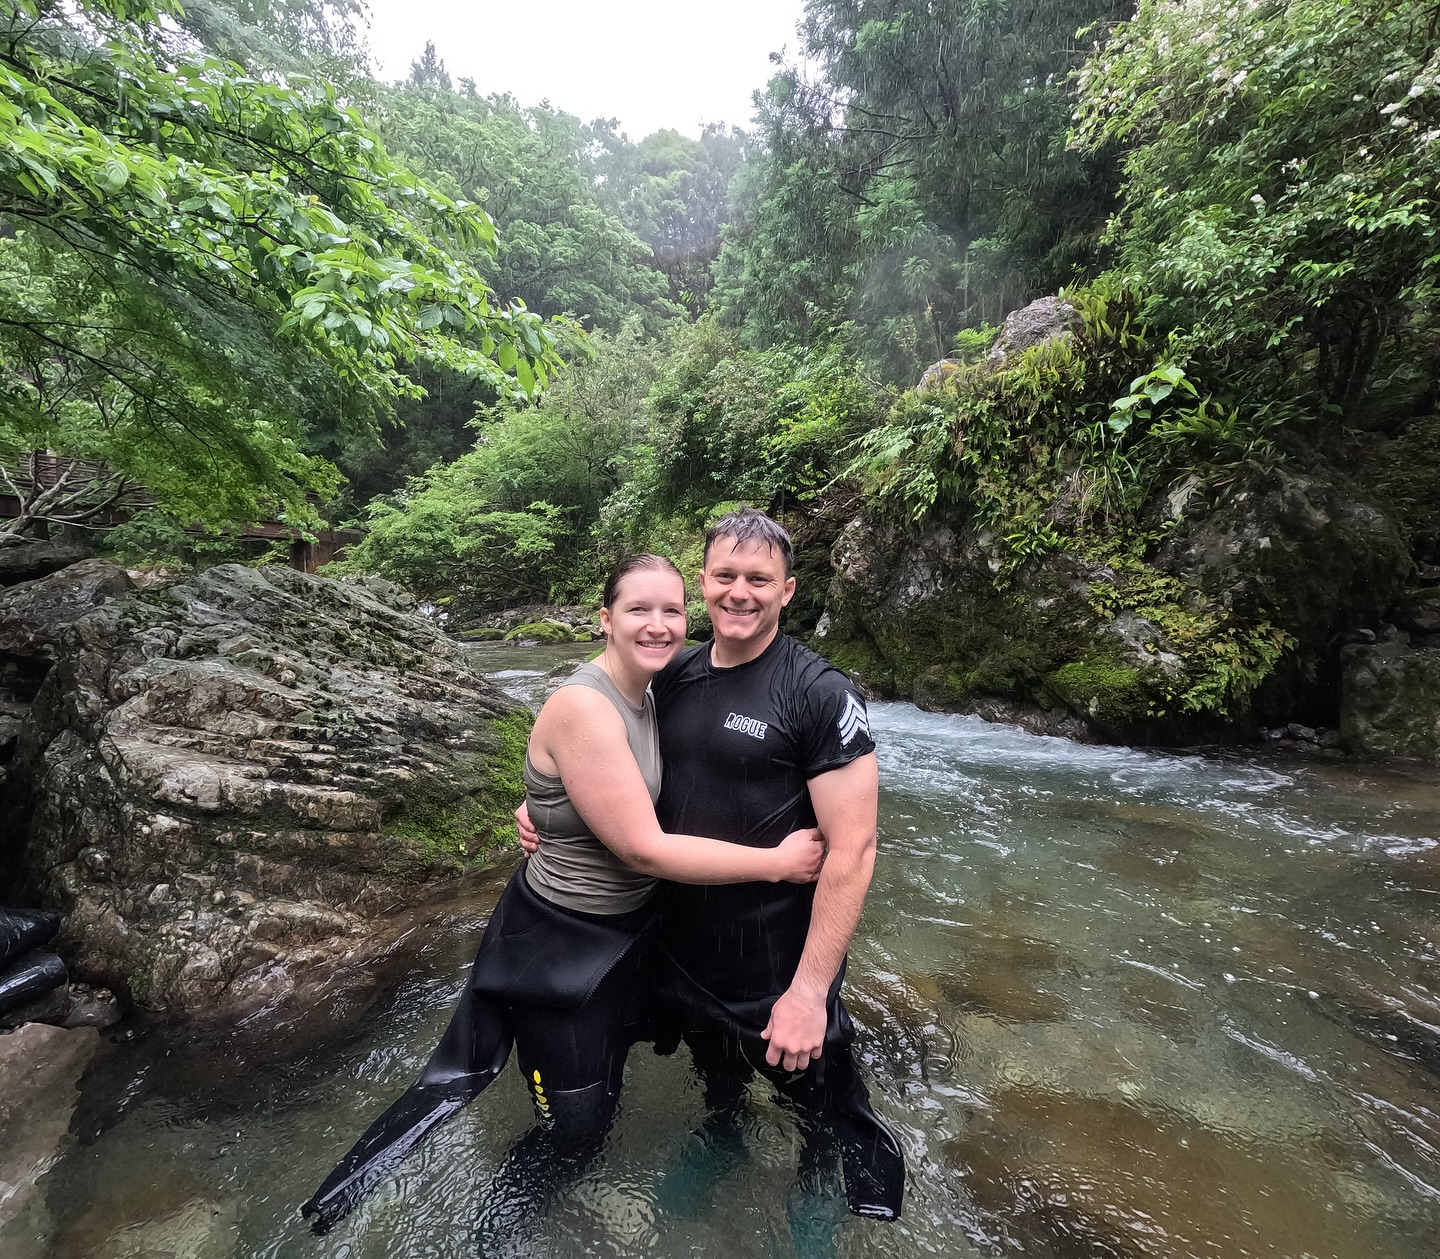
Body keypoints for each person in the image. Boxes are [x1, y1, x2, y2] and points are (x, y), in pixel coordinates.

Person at [301, 554, 826, 1236]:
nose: (659, 625)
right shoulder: (584, 705)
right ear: (605, 619)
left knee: (630, 1071)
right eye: (639, 610)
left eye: (671, 610)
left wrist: (541, 806)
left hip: (630, 930)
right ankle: (491, 1238)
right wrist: (776, 863)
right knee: (575, 1128)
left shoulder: (656, 688)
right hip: (561, 939)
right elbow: (642, 848)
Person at [517, 509, 905, 1238]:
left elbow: (854, 850)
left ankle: (817, 1181)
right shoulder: (675, 675)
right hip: (684, 951)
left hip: (776, 963)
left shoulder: (820, 693)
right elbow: (602, 752)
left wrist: (809, 993)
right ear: (703, 582)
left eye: (759, 578)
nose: (740, 592)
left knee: (812, 1099)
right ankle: (724, 1134)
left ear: (787, 590)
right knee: (717, 1078)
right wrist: (546, 805)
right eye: (725, 575)